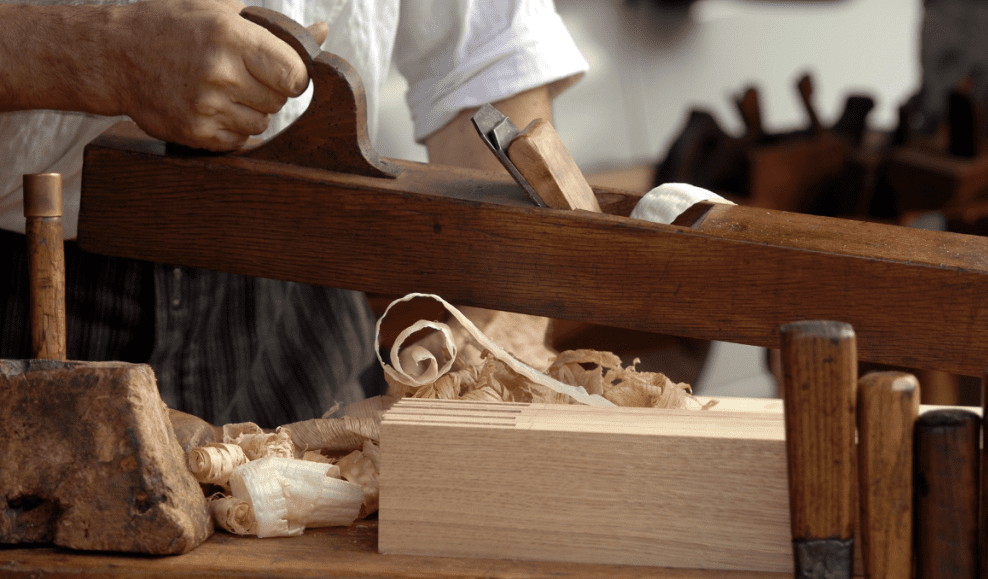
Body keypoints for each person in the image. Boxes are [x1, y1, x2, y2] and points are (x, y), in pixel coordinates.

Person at [0, 0, 588, 426]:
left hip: (299, 285)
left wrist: (499, 298)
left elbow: (486, 61)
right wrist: (103, 51)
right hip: (35, 284)